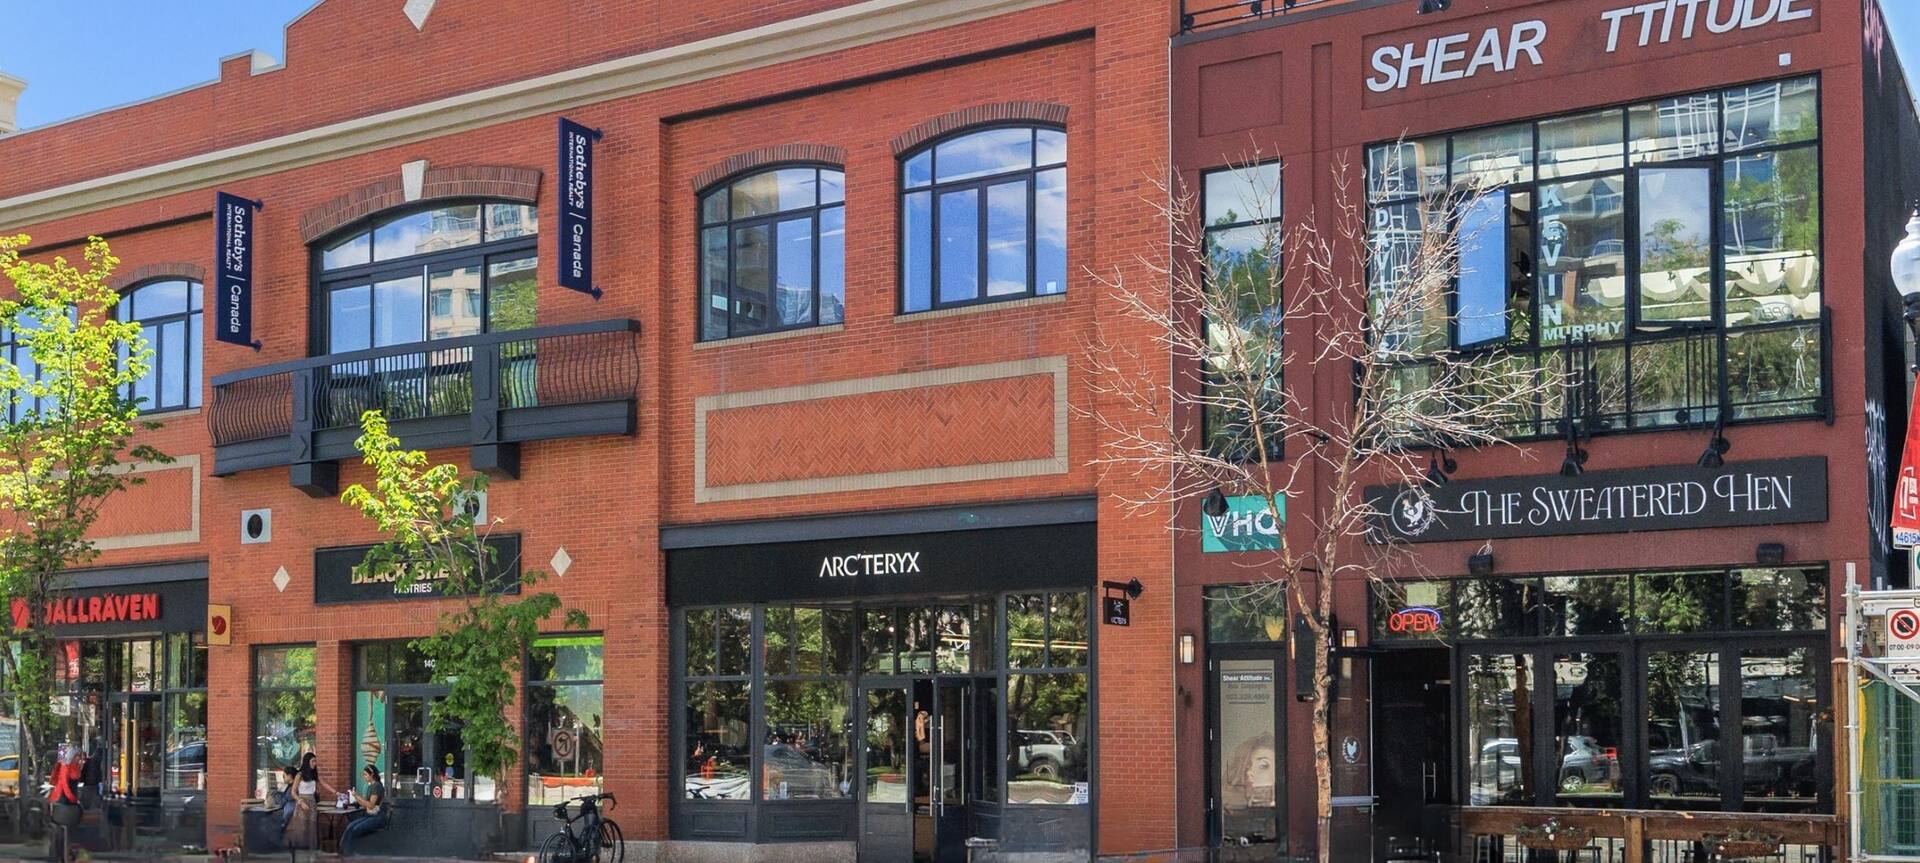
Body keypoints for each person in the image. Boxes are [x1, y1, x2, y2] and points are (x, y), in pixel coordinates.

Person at [337, 764, 388, 858]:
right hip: (369, 815)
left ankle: (349, 853)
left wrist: (357, 796)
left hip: (377, 817)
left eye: (365, 774)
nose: (364, 777)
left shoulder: (377, 786)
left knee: (356, 829)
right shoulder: (370, 786)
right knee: (350, 827)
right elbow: (365, 805)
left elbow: (371, 805)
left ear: (372, 774)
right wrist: (355, 799)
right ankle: (343, 851)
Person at [46, 744, 84, 863]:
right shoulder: (65, 767)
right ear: (72, 756)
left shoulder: (73, 767)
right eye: (77, 756)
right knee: (61, 833)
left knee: (64, 833)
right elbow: (65, 786)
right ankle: (60, 855)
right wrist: (74, 800)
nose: (79, 758)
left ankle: (64, 854)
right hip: (62, 801)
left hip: (66, 801)